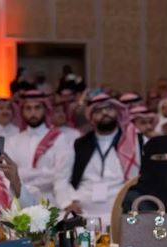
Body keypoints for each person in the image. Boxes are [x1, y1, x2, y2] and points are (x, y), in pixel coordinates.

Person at [55, 93, 140, 227]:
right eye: (98, 111)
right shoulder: (78, 143)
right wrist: (67, 202)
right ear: (91, 118)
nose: (105, 113)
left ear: (117, 112)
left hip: (121, 210)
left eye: (109, 108)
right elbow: (61, 177)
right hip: (84, 212)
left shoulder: (133, 141)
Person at [8, 90, 72, 204]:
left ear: (45, 110)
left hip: (50, 201)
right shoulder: (12, 142)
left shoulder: (59, 139)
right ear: (22, 111)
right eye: (28, 108)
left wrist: (23, 175)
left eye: (37, 108)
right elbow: (9, 175)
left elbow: (60, 176)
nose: (33, 112)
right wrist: (44, 172)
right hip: (19, 200)